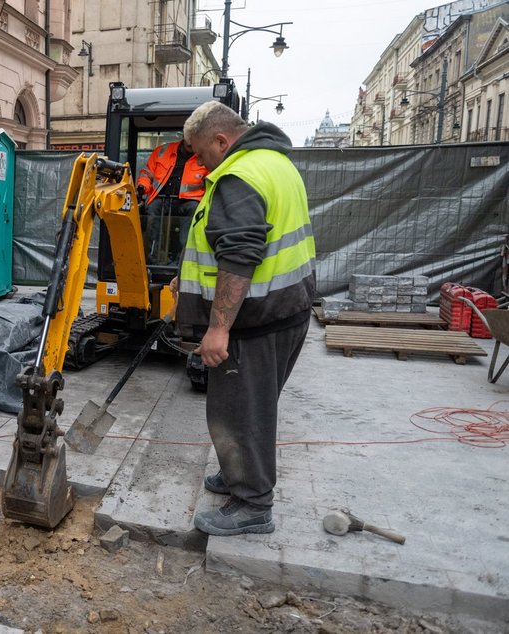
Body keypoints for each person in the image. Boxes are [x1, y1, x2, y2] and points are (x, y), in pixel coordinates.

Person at [171, 101, 315, 536]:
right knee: (252, 406)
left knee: (240, 411)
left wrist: (218, 328)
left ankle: (252, 504)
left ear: (221, 140)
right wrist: (187, 277)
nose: (197, 163)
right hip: (287, 308)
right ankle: (238, 474)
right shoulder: (276, 163)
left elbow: (239, 253)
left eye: (199, 154)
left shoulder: (238, 175)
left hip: (254, 321)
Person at [136, 138, 208, 267]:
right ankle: (154, 255)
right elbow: (147, 173)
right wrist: (142, 186)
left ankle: (183, 259)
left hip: (189, 200)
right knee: (152, 209)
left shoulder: (205, 155)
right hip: (162, 198)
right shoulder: (162, 151)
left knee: (194, 210)